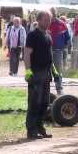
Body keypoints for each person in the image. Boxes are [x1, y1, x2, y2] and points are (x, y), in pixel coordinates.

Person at [24, 11, 56, 140]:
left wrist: (54, 71)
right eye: (45, 19)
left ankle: (40, 127)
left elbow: (49, 55)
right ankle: (31, 130)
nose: (48, 22)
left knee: (44, 103)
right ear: (39, 20)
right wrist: (28, 71)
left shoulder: (48, 35)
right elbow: (27, 54)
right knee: (34, 102)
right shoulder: (32, 35)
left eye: (49, 19)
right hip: (36, 73)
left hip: (46, 73)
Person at [48, 8, 70, 95]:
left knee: (57, 71)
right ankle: (46, 89)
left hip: (58, 50)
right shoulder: (46, 23)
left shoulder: (62, 24)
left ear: (55, 14)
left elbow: (67, 38)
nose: (52, 16)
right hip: (47, 50)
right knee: (46, 70)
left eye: (53, 14)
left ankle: (59, 89)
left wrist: (63, 47)